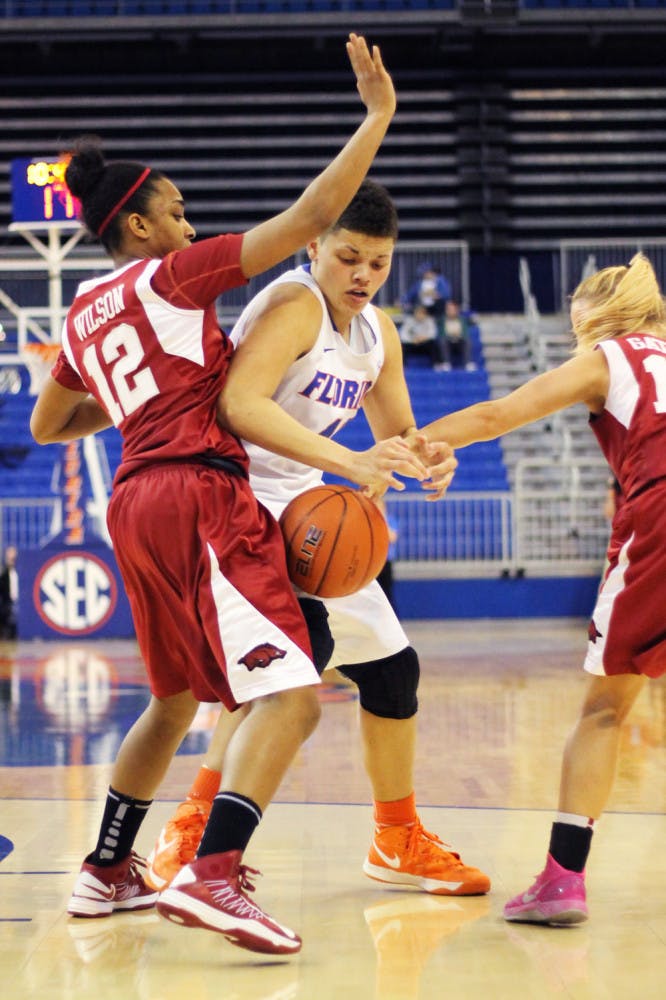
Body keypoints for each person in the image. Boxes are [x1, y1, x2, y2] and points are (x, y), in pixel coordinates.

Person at [28, 35, 432, 957]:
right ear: (138, 225)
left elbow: (53, 425)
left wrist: (150, 398)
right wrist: (377, 117)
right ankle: (213, 876)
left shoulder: (84, 311)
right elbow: (312, 215)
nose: (187, 221)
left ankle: (106, 868)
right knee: (291, 696)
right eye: (176, 210)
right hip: (200, 492)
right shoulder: (172, 274)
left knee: (173, 700)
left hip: (130, 499)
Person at [143, 179, 489, 901]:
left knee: (394, 671)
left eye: (379, 263)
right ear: (314, 247)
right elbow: (239, 406)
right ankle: (194, 828)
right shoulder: (294, 304)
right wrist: (349, 463)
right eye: (349, 258)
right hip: (237, 502)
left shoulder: (377, 333)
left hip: (306, 507)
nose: (363, 276)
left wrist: (430, 457)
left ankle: (396, 837)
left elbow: (399, 436)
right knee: (291, 669)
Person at [419, 252, 666, 925]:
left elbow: (501, 413)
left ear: (599, 318)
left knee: (606, 712)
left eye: (575, 326)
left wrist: (412, 446)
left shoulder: (611, 357)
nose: (572, 339)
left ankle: (562, 881)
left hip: (659, 522)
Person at [401, 263, 451, 337]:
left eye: (428, 272)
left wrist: (437, 295)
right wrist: (402, 301)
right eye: (424, 273)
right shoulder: (419, 283)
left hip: (437, 308)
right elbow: (409, 295)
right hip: (424, 308)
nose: (426, 274)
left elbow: (447, 294)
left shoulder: (440, 280)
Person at [398, 304, 447, 369]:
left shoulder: (429, 321)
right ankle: (402, 366)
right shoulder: (409, 321)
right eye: (418, 313)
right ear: (415, 313)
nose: (419, 315)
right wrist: (413, 340)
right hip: (412, 344)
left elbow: (433, 334)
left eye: (422, 313)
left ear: (425, 314)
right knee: (402, 346)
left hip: (424, 344)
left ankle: (437, 364)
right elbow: (403, 334)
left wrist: (423, 338)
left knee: (434, 344)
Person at [439, 299, 476, 372]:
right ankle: (446, 363)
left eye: (452, 309)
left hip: (460, 341)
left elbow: (468, 329)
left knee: (467, 340)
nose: (450, 311)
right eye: (448, 309)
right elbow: (441, 334)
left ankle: (467, 363)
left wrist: (459, 335)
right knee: (442, 341)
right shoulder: (442, 320)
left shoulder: (462, 319)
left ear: (456, 310)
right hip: (448, 341)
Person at [0, 545, 18, 639]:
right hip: (7, 604)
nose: (11, 560)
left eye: (13, 558)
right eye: (9, 557)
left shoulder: (22, 571)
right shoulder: (3, 573)